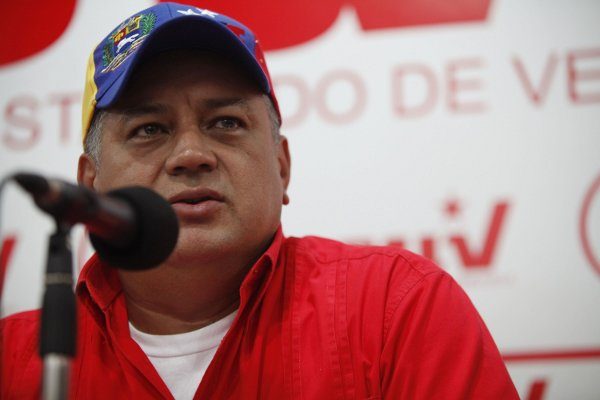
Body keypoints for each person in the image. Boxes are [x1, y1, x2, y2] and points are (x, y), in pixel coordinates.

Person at [1, 2, 519, 399]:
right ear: (90, 182)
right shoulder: (11, 361)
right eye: (150, 129)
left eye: (226, 123)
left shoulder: (396, 308)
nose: (191, 155)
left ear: (282, 166)